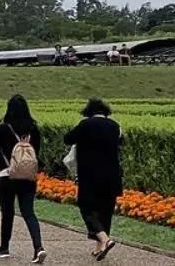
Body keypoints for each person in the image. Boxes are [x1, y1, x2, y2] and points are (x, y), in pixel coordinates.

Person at [64, 98, 123, 260]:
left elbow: (67, 139)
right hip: (111, 175)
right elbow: (121, 143)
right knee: (106, 210)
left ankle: (104, 239)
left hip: (89, 175)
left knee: (86, 207)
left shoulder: (85, 125)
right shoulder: (115, 126)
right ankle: (100, 246)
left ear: (89, 111)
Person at [0, 95, 46, 263]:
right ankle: (38, 247)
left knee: (7, 212)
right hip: (28, 176)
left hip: (8, 175)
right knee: (29, 212)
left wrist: (4, 167)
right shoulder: (33, 129)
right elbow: (37, 153)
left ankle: (4, 247)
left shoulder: (2, 129)